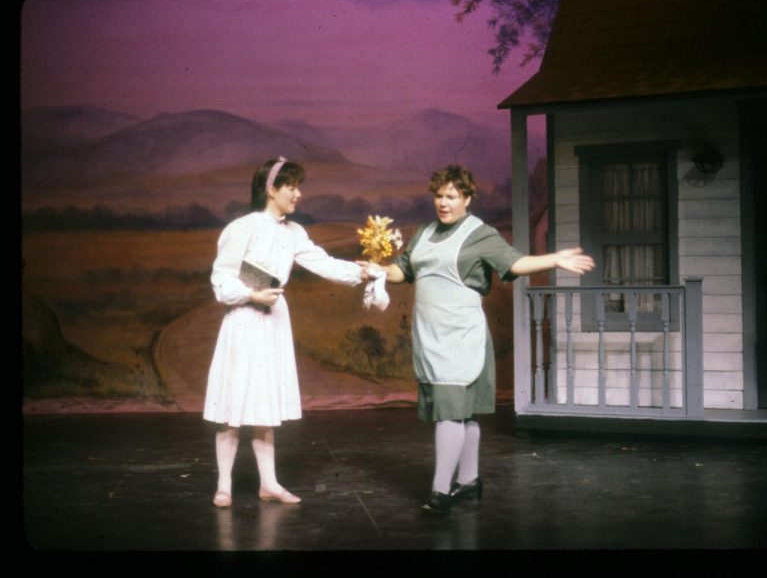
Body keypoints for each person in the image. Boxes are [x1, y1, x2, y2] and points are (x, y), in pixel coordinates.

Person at [370, 165, 594, 514]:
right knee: (462, 414)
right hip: (430, 334)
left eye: (451, 196)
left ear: (467, 198)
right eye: (439, 196)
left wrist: (555, 259)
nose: (443, 203)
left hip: (461, 336)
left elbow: (513, 263)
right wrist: (381, 270)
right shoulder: (424, 231)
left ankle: (440, 492)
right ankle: (469, 481)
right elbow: (406, 268)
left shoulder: (480, 233)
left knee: (451, 413)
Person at [204, 157, 371, 508]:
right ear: (271, 189)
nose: (298, 194)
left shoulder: (293, 233)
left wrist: (363, 274)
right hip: (243, 320)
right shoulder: (242, 227)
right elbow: (221, 280)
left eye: (298, 187)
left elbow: (323, 263)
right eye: (292, 187)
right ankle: (224, 485)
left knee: (264, 403)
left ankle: (269, 483)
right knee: (233, 402)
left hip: (273, 322)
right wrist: (251, 294)